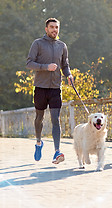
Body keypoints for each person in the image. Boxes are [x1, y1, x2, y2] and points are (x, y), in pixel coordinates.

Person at [26, 18, 74, 164]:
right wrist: (46, 67)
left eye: (56, 27)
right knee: (39, 117)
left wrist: (69, 75)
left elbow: (65, 65)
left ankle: (57, 151)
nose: (54, 30)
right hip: (40, 87)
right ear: (46, 29)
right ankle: (39, 142)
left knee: (55, 119)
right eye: (51, 27)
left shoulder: (62, 46)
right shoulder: (38, 43)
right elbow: (29, 63)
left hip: (55, 88)